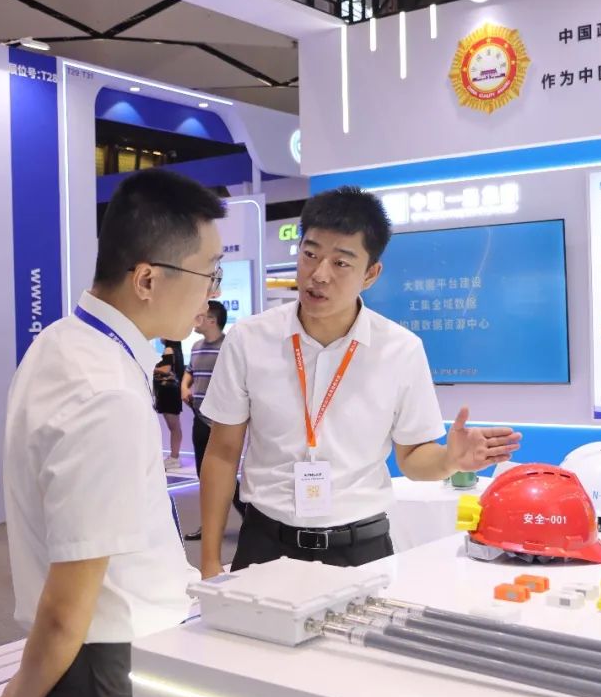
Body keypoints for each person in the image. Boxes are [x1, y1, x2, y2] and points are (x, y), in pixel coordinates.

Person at [0, 169, 225, 697]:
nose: (212, 293)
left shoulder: (64, 343)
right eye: (208, 273)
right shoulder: (105, 393)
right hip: (107, 668)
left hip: (101, 655)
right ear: (147, 280)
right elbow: (66, 608)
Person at [198, 187, 521, 577]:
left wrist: (449, 460)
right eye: (310, 254)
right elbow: (223, 451)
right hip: (265, 543)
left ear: (370, 274)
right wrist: (210, 560)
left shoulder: (400, 350)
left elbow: (413, 458)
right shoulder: (249, 339)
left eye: (341, 263)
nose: (319, 274)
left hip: (361, 550)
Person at [180, 299, 234, 542]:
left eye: (200, 316)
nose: (195, 320)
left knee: (223, 475)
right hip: (199, 418)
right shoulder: (196, 347)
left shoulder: (229, 347)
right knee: (204, 475)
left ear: (212, 320)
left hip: (221, 422)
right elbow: (189, 372)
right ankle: (209, 527)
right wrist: (185, 386)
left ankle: (248, 518)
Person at [154, 338, 185, 471]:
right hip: (172, 392)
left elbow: (166, 369)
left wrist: (152, 368)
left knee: (174, 426)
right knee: (175, 426)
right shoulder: (177, 350)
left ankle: (174, 457)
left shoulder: (169, 349)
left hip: (168, 392)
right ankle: (174, 457)